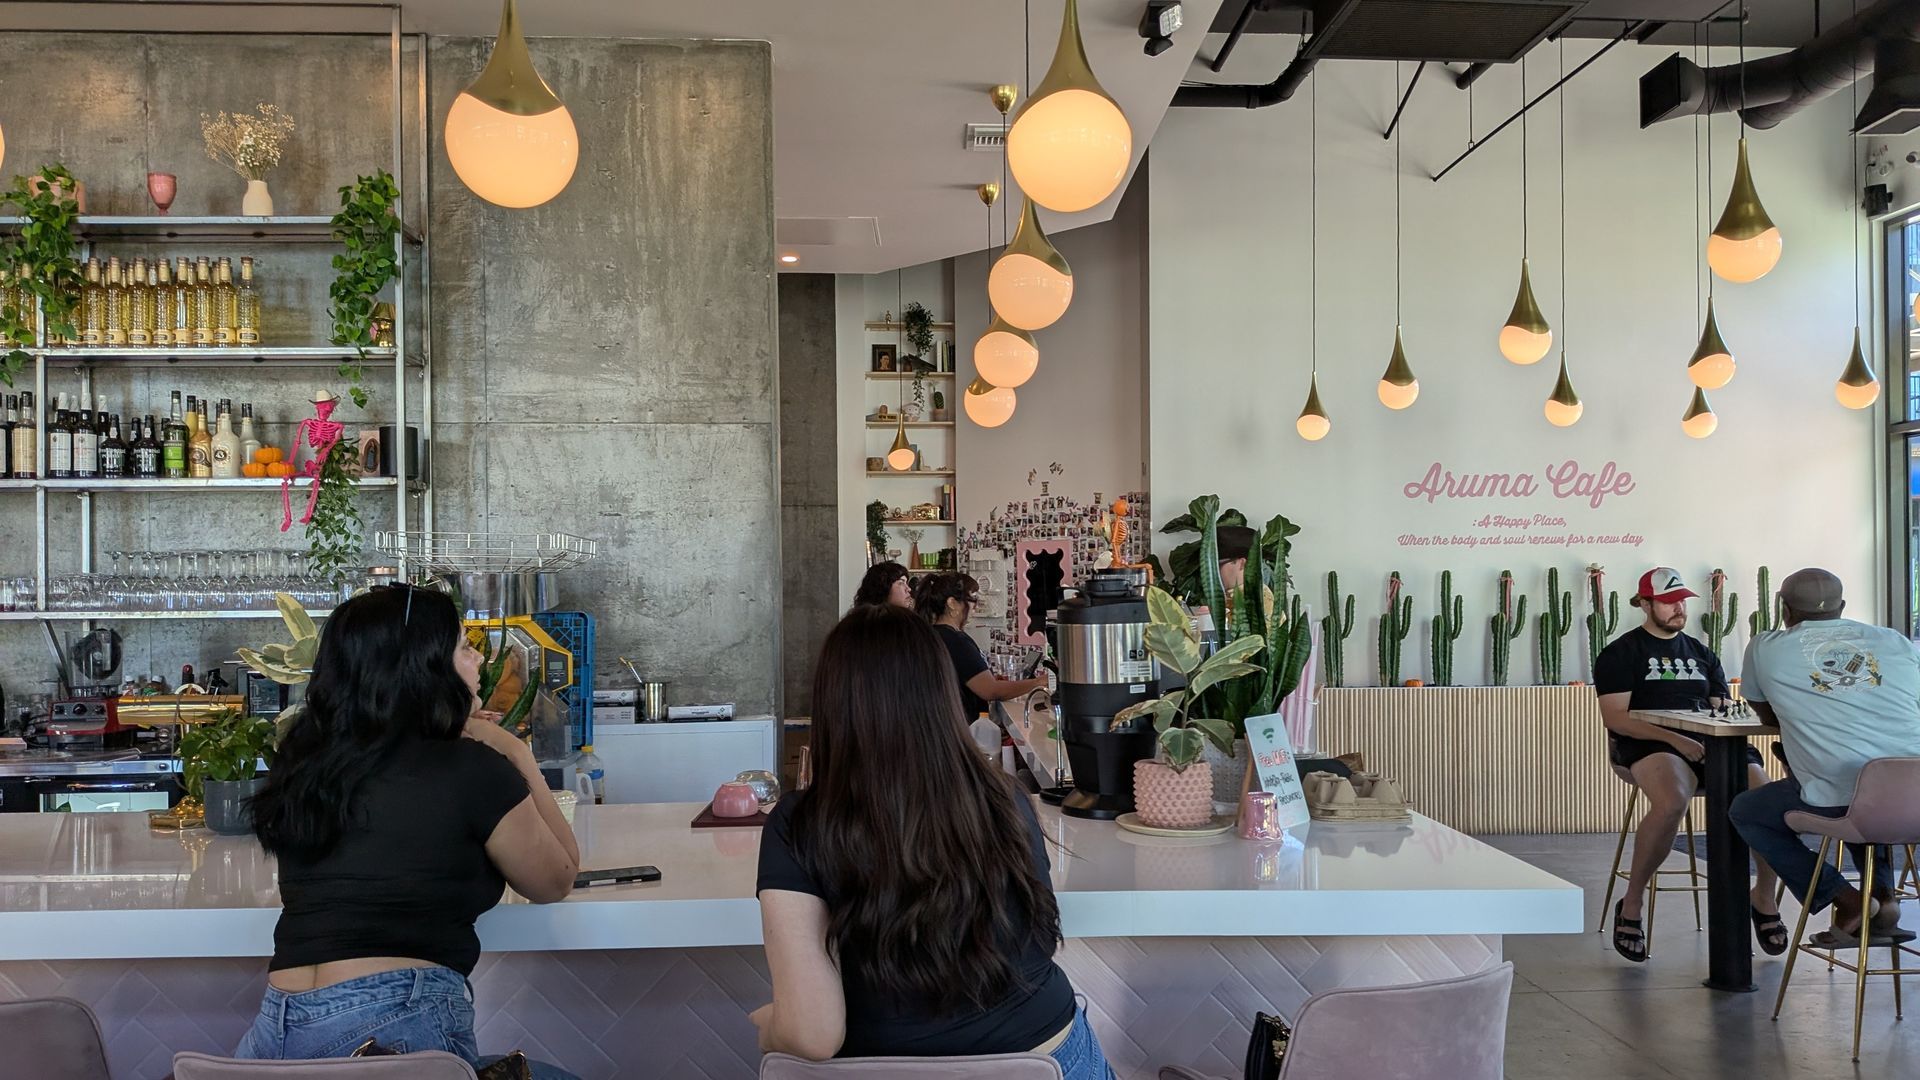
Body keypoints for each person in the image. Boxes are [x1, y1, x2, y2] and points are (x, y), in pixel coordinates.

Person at [751, 605, 1117, 1078]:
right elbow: (1040, 940)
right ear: (941, 695)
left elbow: (810, 1034)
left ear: (833, 704)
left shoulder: (798, 822)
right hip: (1046, 1056)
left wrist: (769, 1026)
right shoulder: (1005, 799)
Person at [238, 585, 582, 1079]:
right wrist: (515, 750)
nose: (478, 660)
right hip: (391, 1032)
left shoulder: (308, 761)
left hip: (276, 1034)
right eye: (464, 646)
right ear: (425, 664)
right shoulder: (471, 768)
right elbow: (557, 878)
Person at [1593, 567, 1778, 963]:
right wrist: (1676, 738)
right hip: (1647, 743)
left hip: (1711, 745)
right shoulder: (1621, 653)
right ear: (1644, 604)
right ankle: (1633, 903)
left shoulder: (1700, 652)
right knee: (1674, 798)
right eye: (1668, 601)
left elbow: (1718, 705)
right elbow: (1617, 719)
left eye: (1681, 601)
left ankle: (1763, 895)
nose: (1678, 608)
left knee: (1765, 797)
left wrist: (1719, 719)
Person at [1730, 569, 1920, 945]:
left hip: (1847, 798)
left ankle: (1845, 899)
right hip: (1913, 797)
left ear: (1785, 610)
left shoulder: (1765, 647)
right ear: (1843, 607)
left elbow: (1767, 714)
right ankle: (1883, 896)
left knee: (1748, 811)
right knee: (1866, 796)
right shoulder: (1894, 641)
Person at [915, 572, 1048, 720]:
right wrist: (1037, 682)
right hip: (964, 726)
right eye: (973, 599)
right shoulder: (956, 641)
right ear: (952, 603)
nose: (976, 606)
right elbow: (990, 690)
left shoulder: (936, 634)